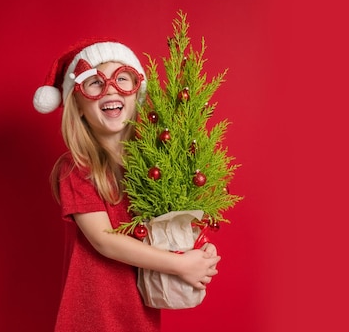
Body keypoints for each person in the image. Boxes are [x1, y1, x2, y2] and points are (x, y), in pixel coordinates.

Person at [33, 39, 221, 332]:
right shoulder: (77, 168)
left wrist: (196, 249)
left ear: (138, 95)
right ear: (78, 106)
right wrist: (181, 265)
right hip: (93, 314)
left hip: (137, 311)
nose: (110, 88)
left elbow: (168, 224)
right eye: (95, 82)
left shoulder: (152, 166)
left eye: (122, 78)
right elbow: (105, 240)